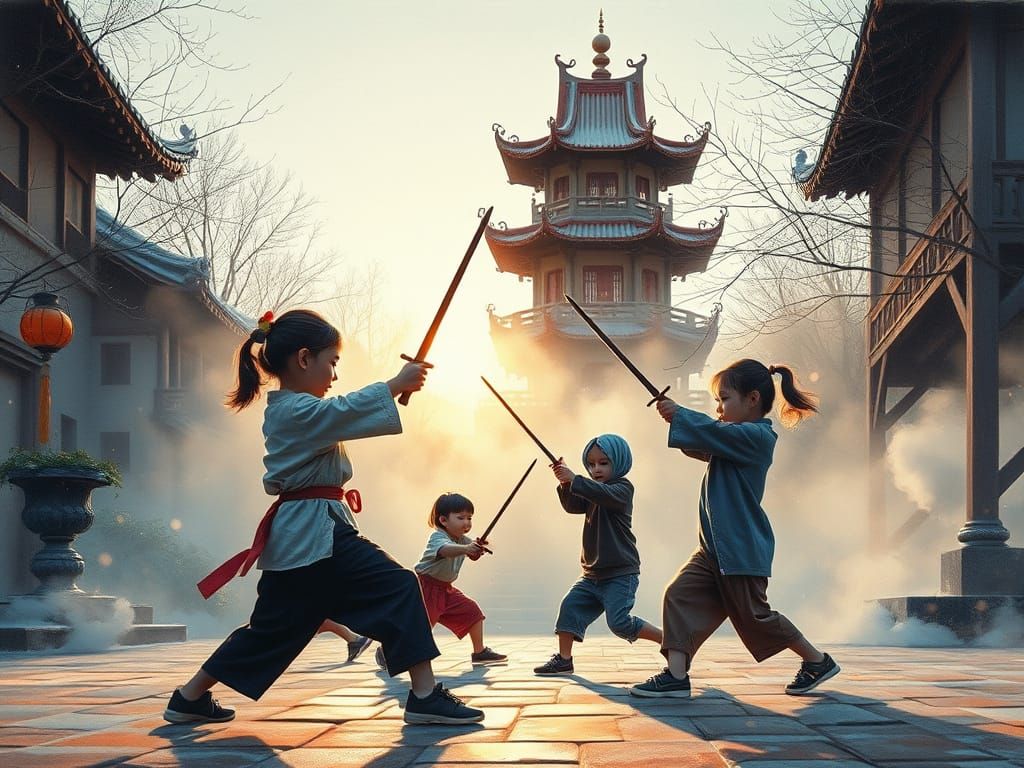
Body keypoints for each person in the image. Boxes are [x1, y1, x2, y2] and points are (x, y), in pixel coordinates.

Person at [162, 309, 484, 725]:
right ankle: (423, 695)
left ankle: (188, 698)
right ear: (303, 359)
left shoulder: (294, 411)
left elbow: (338, 413)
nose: (334, 374)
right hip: (316, 532)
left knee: (271, 629)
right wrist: (392, 386)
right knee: (401, 585)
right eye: (331, 362)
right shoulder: (294, 411)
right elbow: (339, 412)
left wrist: (393, 389)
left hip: (303, 536)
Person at [629, 359, 839, 699]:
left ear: (752, 399)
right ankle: (676, 676)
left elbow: (711, 433)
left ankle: (817, 660)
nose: (718, 407)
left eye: (724, 398)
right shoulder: (731, 440)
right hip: (713, 549)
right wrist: (676, 418)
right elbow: (700, 442)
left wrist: (682, 415)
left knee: (756, 618)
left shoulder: (757, 437)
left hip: (740, 549)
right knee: (679, 595)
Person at [533, 434, 663, 676]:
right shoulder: (591, 491)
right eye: (591, 464)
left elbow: (601, 494)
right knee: (569, 607)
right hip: (592, 573)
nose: (596, 469)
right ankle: (564, 660)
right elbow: (573, 506)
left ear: (620, 462)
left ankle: (667, 640)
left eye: (603, 463)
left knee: (619, 623)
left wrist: (576, 479)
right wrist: (565, 483)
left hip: (620, 572)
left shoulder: (622, 489)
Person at [377, 493, 507, 670]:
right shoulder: (438, 537)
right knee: (420, 627)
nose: (467, 523)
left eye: (469, 518)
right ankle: (386, 652)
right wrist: (467, 548)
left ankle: (479, 651)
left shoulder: (463, 540)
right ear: (444, 520)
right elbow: (445, 550)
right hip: (426, 588)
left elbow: (473, 552)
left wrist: (479, 547)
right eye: (460, 518)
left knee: (472, 611)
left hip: (446, 589)